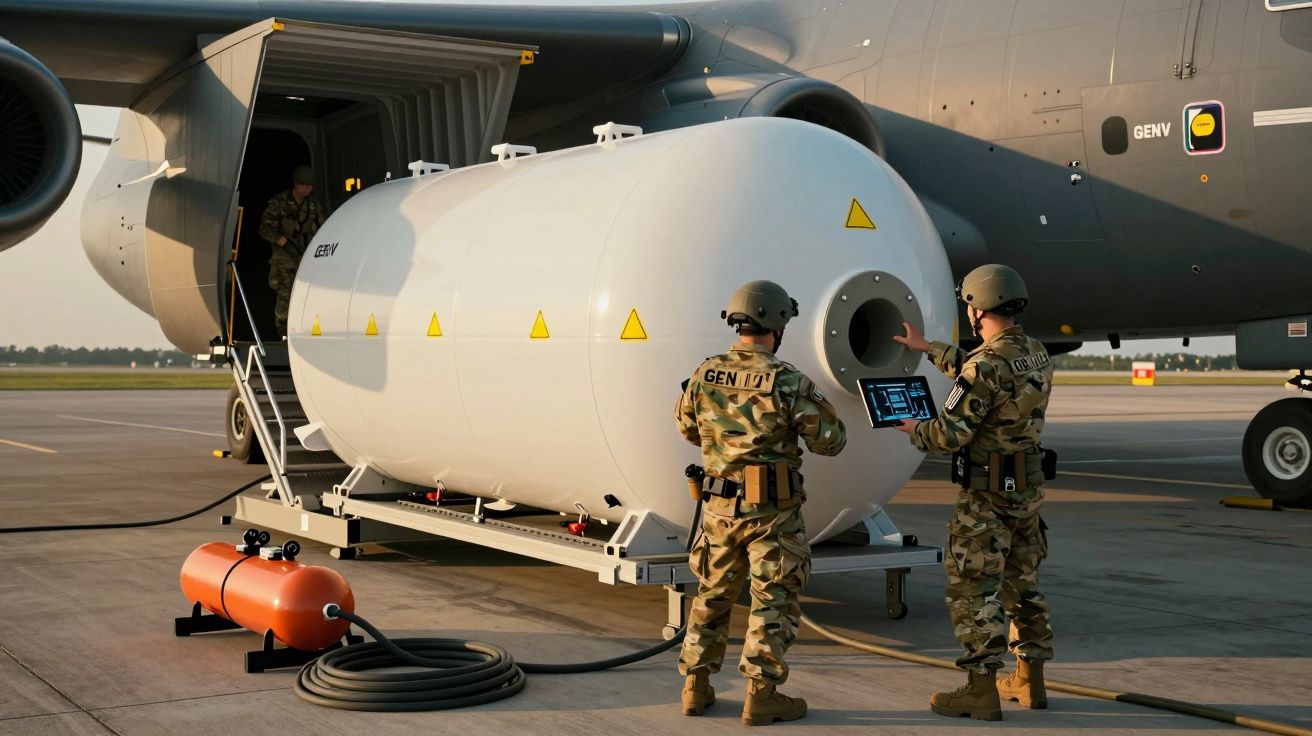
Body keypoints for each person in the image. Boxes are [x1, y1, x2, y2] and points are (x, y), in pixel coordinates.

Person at [675, 280, 847, 727]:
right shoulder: (788, 380)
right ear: (778, 324)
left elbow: (688, 429)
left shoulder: (704, 373)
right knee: (772, 598)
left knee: (711, 595)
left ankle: (695, 686)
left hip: (718, 510)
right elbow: (832, 442)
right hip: (773, 512)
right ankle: (762, 694)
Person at [891, 264, 1054, 721]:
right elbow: (981, 368)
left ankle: (980, 689)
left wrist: (914, 429)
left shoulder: (984, 366)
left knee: (972, 588)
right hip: (1026, 491)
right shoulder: (1036, 353)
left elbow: (949, 433)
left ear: (978, 307)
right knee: (1024, 585)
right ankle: (1030, 680)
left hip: (985, 498)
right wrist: (927, 349)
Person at [259, 165, 326, 338]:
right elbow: (264, 228)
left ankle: (304, 333)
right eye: (304, 185)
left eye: (310, 186)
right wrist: (277, 238)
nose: (307, 189)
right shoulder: (279, 203)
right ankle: (284, 335)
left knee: (308, 297)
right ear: (296, 184)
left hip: (306, 259)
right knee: (285, 297)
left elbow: (324, 228)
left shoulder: (313, 206)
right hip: (284, 259)